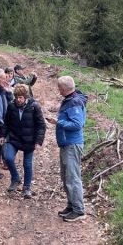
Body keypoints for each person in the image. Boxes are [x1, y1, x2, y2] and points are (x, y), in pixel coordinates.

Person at [3, 84, 46, 198]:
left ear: (26, 97)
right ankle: (15, 178)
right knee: (8, 158)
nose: (18, 99)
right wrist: (3, 135)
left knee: (27, 164)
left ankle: (27, 188)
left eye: (21, 97)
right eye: (17, 97)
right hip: (14, 138)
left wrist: (38, 141)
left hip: (29, 140)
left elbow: (41, 125)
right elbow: (6, 122)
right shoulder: (11, 106)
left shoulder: (34, 106)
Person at [55, 75, 88, 222]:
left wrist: (59, 122)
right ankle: (71, 205)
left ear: (64, 88)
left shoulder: (74, 102)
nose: (58, 90)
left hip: (72, 144)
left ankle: (79, 210)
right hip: (66, 144)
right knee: (66, 177)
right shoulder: (71, 100)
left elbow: (77, 124)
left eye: (59, 87)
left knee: (73, 178)